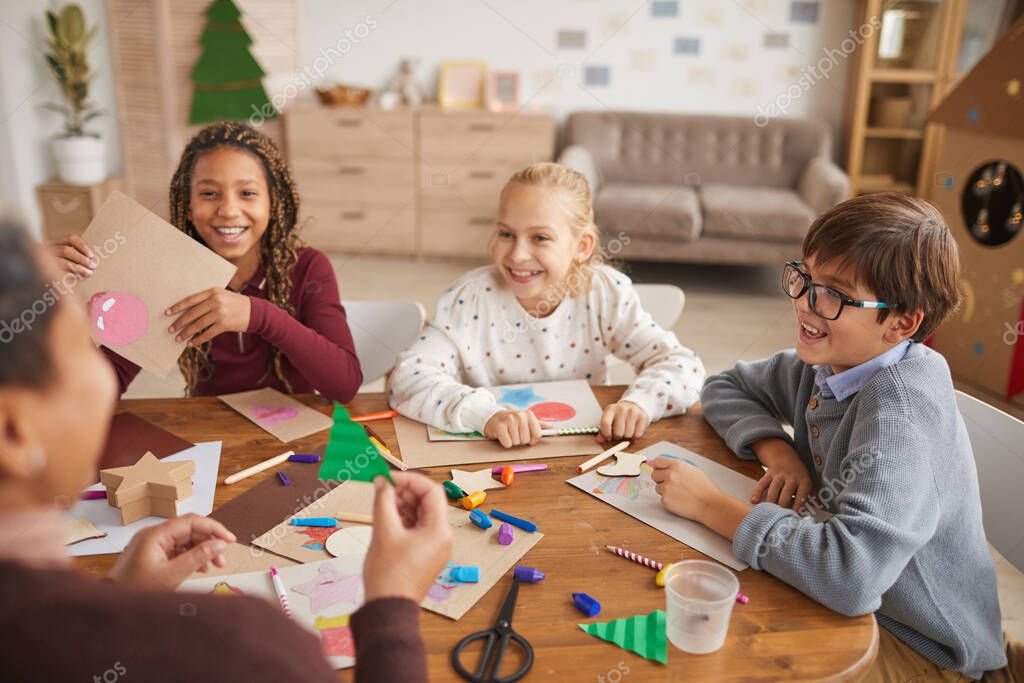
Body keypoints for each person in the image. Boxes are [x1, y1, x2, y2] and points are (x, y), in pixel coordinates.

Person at [0, 218, 450, 682]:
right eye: (82, 345)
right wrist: (393, 605)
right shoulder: (246, 648)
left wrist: (124, 592)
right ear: (15, 430)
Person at [651, 194, 1014, 680]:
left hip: (926, 649)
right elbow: (724, 385)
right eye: (804, 277)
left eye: (834, 294)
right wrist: (778, 451)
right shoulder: (832, 364)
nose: (804, 303)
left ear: (902, 322)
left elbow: (851, 576)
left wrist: (709, 506)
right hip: (855, 608)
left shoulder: (899, 415)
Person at [389, 162, 705, 448]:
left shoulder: (605, 293)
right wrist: (485, 415)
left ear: (582, 246)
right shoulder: (470, 297)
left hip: (582, 451)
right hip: (493, 455)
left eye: (540, 238)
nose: (517, 255)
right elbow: (408, 377)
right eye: (506, 234)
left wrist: (640, 404)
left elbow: (683, 365)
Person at [51, 121, 362, 400]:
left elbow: (345, 384)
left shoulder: (309, 268)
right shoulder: (166, 274)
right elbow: (100, 390)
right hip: (211, 434)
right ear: (188, 206)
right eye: (209, 194)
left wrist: (260, 316)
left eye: (247, 193)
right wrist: (59, 309)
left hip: (295, 432)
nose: (228, 210)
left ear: (273, 203)